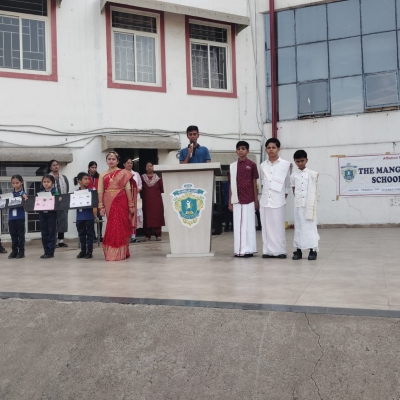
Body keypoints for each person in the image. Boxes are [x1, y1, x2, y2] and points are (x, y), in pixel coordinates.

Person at [98, 151, 137, 261]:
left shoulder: (124, 173)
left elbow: (128, 189)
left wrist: (131, 204)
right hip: (108, 201)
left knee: (121, 225)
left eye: (113, 159)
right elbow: (100, 191)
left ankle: (121, 252)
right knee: (112, 225)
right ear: (106, 161)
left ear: (118, 161)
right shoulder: (102, 175)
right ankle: (113, 252)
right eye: (109, 159)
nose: (111, 161)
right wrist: (101, 206)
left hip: (121, 200)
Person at [260, 138, 291, 259]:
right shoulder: (263, 165)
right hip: (265, 200)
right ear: (265, 150)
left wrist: (283, 197)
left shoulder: (285, 164)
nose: (271, 150)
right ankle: (267, 251)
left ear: (278, 149)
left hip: (278, 199)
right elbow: (262, 182)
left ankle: (280, 251)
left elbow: (287, 184)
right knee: (266, 226)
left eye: (273, 147)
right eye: (269, 148)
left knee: (278, 226)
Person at [229, 141, 259, 257]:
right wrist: (230, 202)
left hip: (249, 198)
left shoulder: (252, 165)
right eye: (239, 149)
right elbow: (231, 185)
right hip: (237, 199)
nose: (241, 151)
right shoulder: (232, 166)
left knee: (249, 225)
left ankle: (249, 250)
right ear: (236, 151)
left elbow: (254, 183)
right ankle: (239, 250)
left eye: (243, 148)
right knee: (238, 226)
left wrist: (256, 200)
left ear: (248, 151)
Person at [290, 150, 319, 261]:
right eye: (298, 161)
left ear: (306, 160)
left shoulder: (312, 174)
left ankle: (313, 250)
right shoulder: (293, 176)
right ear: (295, 162)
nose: (300, 163)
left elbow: (314, 190)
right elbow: (294, 190)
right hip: (298, 206)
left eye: (302, 161)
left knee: (310, 228)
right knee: (299, 227)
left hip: (309, 206)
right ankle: (298, 250)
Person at [48, 159, 69, 248]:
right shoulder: (48, 177)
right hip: (52, 202)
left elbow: (67, 189)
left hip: (62, 202)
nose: (56, 166)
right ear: (50, 167)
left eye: (57, 164)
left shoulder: (63, 177)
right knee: (54, 221)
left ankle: (61, 241)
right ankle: (53, 241)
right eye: (54, 165)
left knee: (62, 220)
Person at [74, 172, 95, 259]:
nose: (87, 181)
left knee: (90, 234)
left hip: (89, 216)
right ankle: (83, 250)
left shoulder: (91, 192)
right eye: (85, 179)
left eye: (88, 179)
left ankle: (89, 251)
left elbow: (95, 203)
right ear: (79, 181)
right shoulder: (75, 193)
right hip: (80, 217)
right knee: (81, 234)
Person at [141, 162, 165, 241]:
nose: (149, 167)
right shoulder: (142, 178)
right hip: (146, 201)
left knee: (157, 217)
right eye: (147, 166)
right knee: (147, 217)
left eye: (151, 166)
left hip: (156, 201)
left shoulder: (158, 178)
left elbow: (162, 189)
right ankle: (147, 236)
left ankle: (158, 235)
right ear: (145, 168)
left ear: (153, 167)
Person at [8, 175, 28, 259]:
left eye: (17, 183)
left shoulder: (23, 193)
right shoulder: (10, 194)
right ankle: (14, 251)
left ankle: (21, 251)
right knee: (13, 234)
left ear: (21, 183)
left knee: (21, 235)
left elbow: (25, 206)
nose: (15, 185)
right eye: (13, 183)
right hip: (11, 217)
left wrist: (24, 199)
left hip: (20, 217)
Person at [123, 158, 143, 243]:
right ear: (124, 164)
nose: (130, 164)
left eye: (131, 163)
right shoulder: (122, 174)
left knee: (134, 216)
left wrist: (137, 189)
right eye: (128, 163)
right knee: (126, 217)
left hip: (135, 197)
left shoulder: (136, 174)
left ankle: (133, 236)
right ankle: (126, 236)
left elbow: (140, 185)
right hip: (125, 198)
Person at [38, 175, 58, 259]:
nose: (46, 184)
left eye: (48, 182)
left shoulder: (55, 192)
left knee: (51, 232)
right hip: (42, 214)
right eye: (44, 182)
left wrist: (58, 199)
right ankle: (46, 251)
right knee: (44, 232)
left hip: (51, 214)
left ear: (52, 183)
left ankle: (50, 252)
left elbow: (58, 203)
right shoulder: (40, 193)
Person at [87, 161, 103, 242]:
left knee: (99, 217)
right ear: (89, 168)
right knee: (91, 217)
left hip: (97, 198)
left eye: (95, 167)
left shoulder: (99, 176)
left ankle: (100, 235)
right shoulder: (86, 176)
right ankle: (92, 235)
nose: (94, 169)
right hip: (89, 198)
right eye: (92, 167)